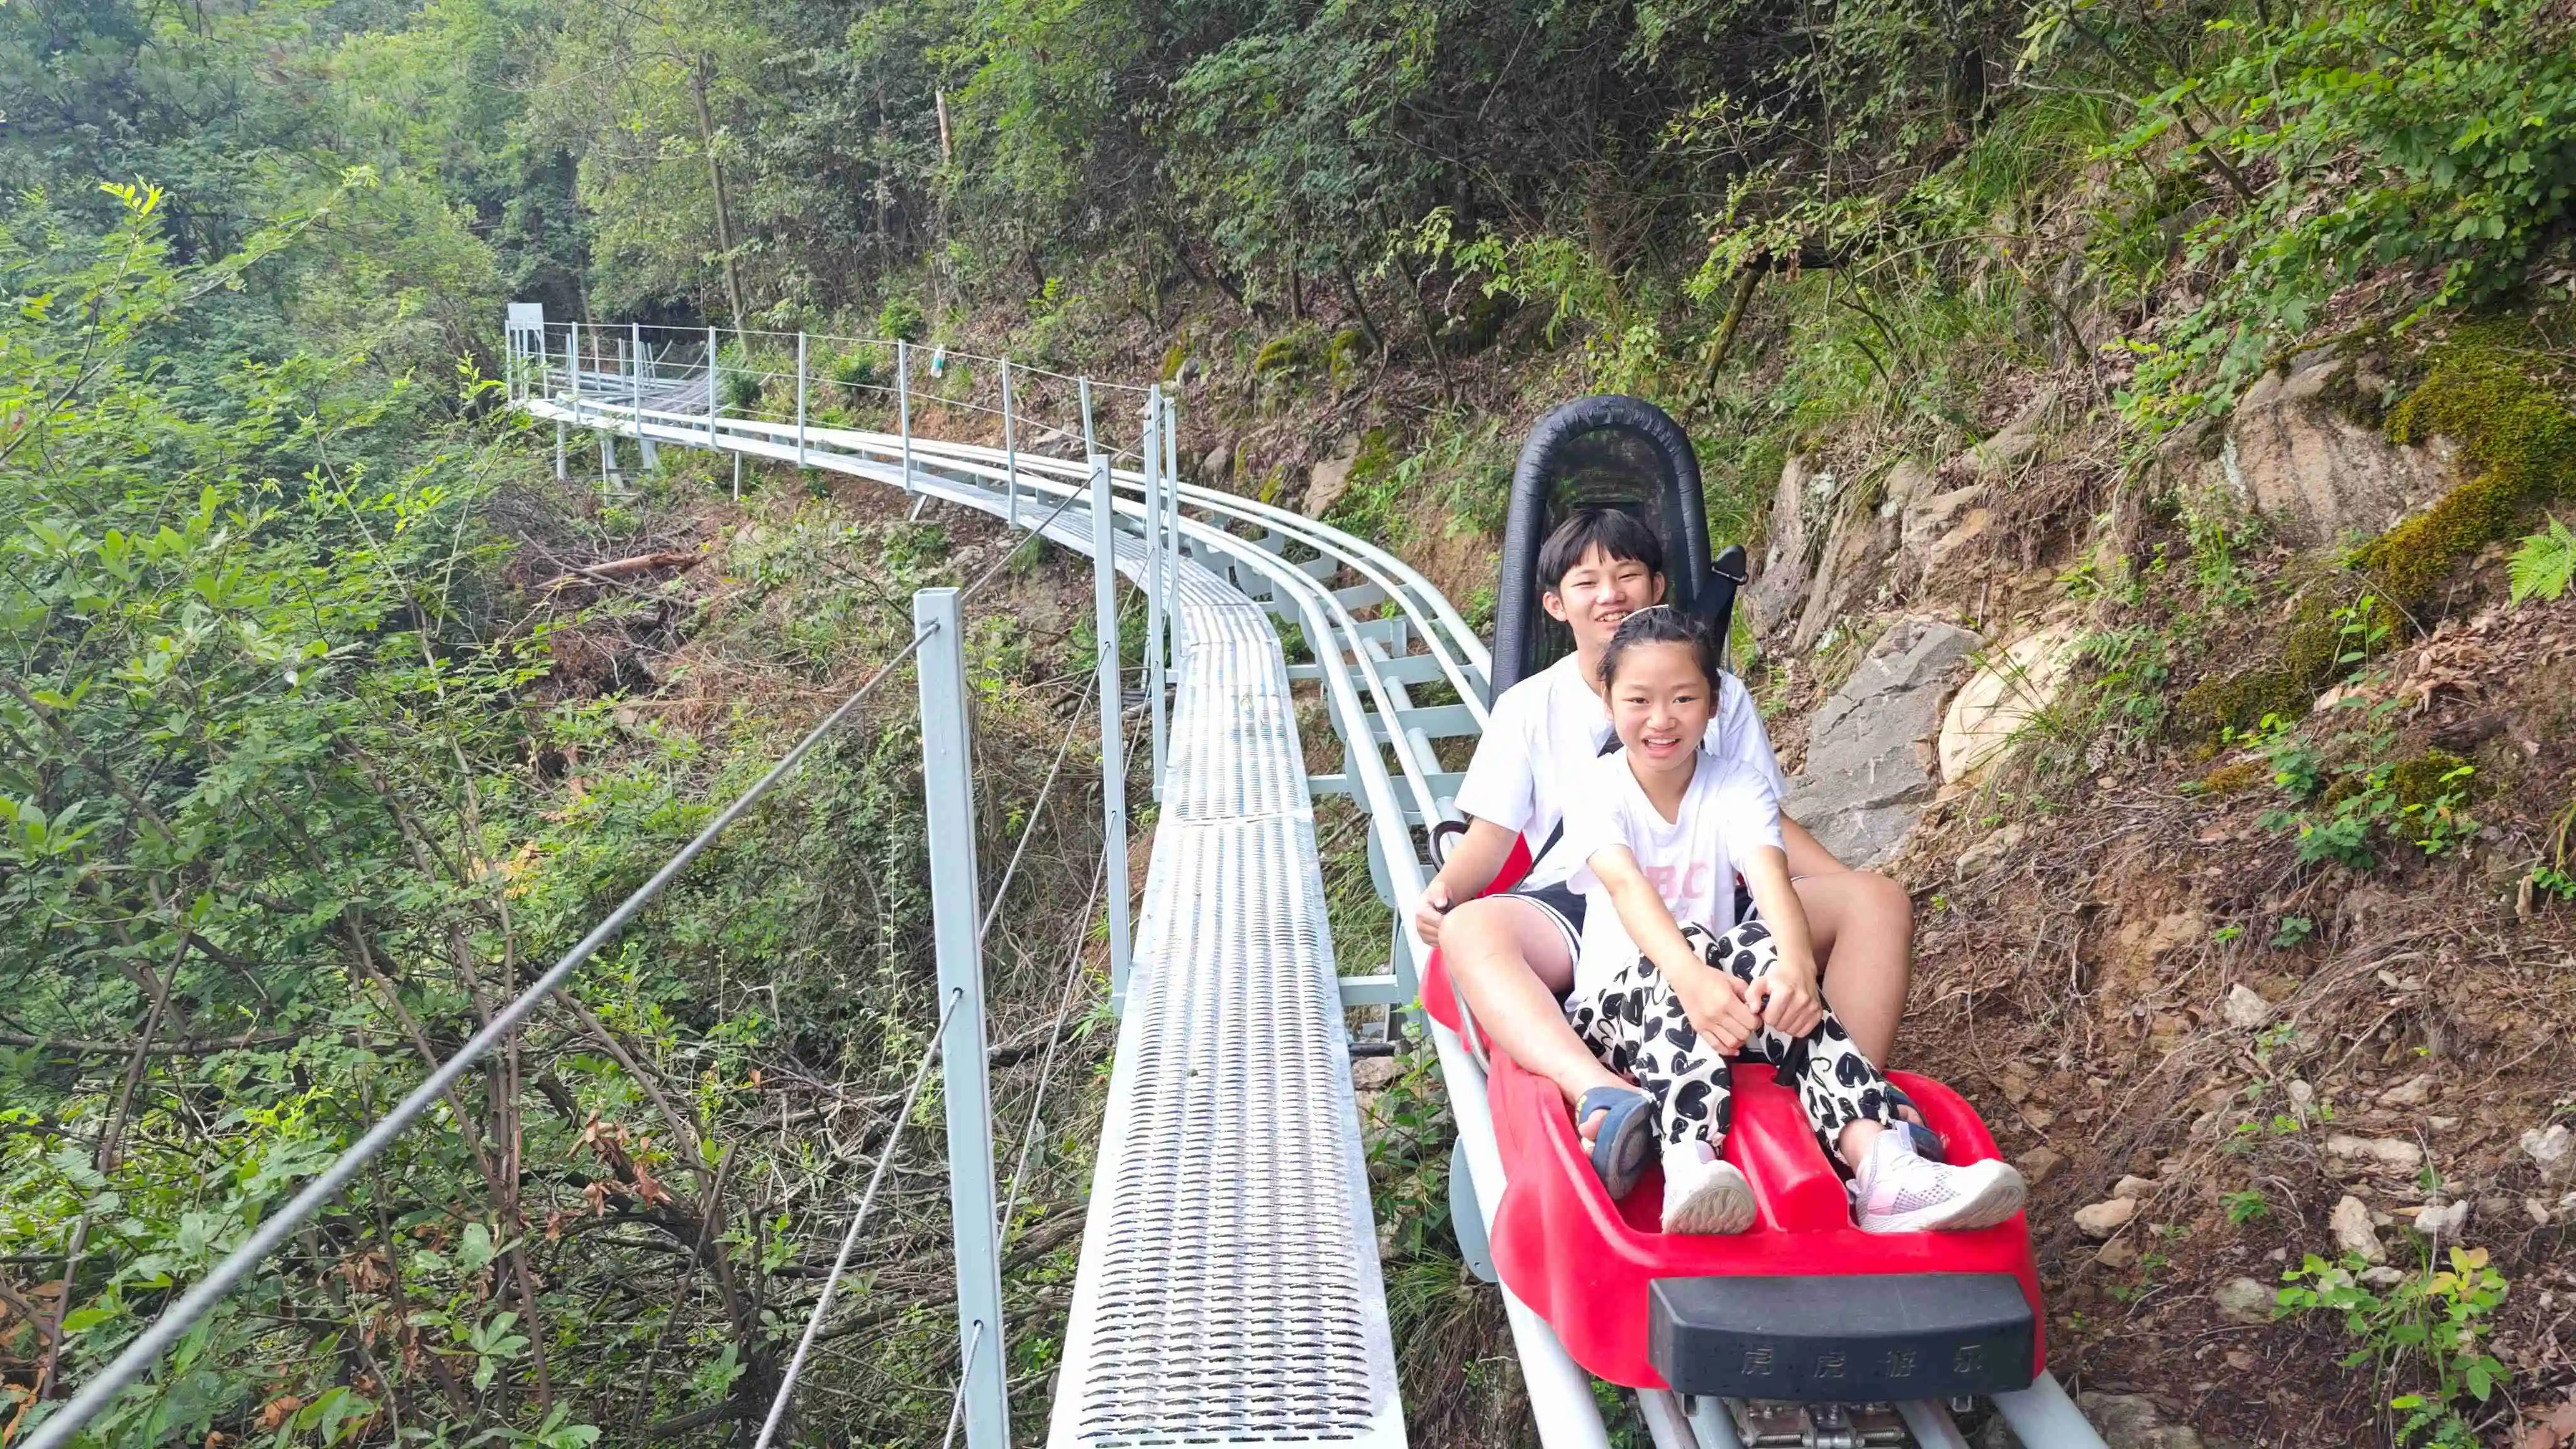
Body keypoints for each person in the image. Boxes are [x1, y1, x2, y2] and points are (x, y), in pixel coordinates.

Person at [1416, 509, 1918, 1160]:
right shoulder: (1529, 708)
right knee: (1469, 930)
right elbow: (1490, 836)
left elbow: (1768, 826)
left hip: (1711, 884)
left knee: (1876, 899)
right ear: (1554, 604)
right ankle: (1598, 1091)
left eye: (1626, 575)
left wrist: (1843, 885)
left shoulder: (1719, 698)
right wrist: (1446, 891)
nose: (1609, 595)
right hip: (1579, 899)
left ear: (1656, 587)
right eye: (1587, 582)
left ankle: (1853, 1095)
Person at [1559, 607, 2025, 1233]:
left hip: (1719, 998)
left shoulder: (1736, 785)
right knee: (1695, 945)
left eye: (1682, 698)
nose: (1661, 719)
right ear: (1607, 698)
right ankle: (1688, 1161)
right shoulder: (1595, 790)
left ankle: (1881, 1167)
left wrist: (1798, 969)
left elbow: (1772, 880)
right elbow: (1626, 887)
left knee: (1760, 949)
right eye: (1639, 700)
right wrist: (1692, 978)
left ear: (1714, 702)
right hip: (1617, 1011)